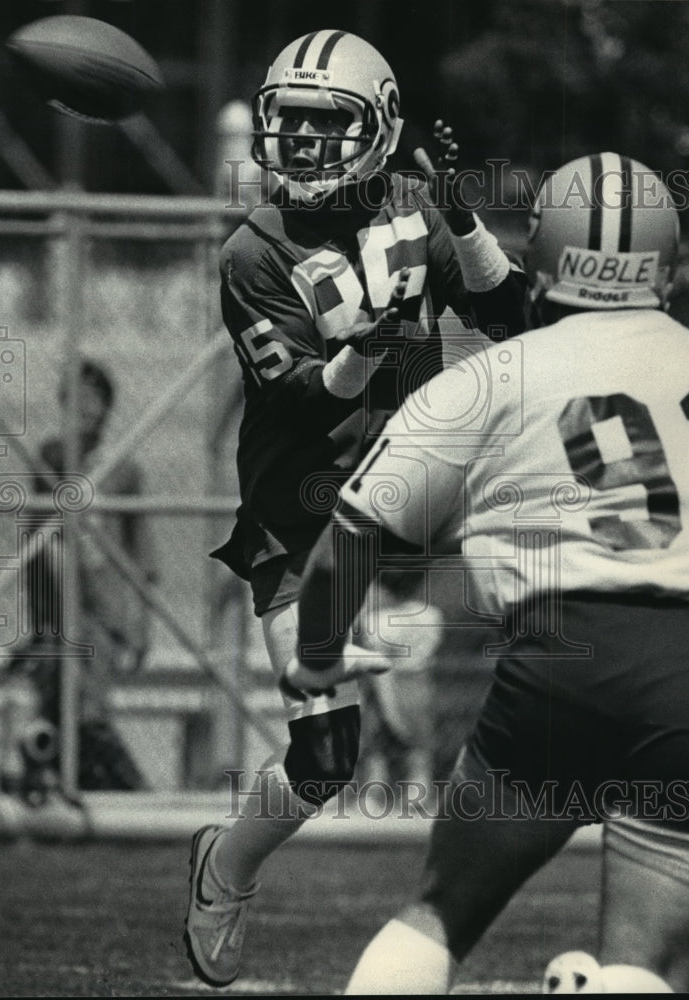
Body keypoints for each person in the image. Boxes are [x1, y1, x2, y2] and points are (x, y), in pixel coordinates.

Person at [285, 152, 689, 993]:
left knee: (439, 913)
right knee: (650, 964)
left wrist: (314, 663)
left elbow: (347, 544)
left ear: (541, 254)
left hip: (564, 661)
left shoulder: (488, 379)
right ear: (666, 270)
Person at [185, 28, 527, 987]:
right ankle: (228, 864)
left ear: (378, 130)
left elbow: (515, 318)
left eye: (320, 123)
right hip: (300, 519)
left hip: (414, 500)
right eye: (285, 121)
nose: (297, 141)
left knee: (541, 654)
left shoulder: (413, 212)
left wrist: (463, 226)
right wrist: (371, 347)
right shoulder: (253, 249)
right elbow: (298, 393)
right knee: (325, 755)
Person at [0, 357, 156, 798]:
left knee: (88, 706)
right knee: (52, 697)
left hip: (102, 611)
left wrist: (142, 625)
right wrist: (38, 616)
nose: (84, 409)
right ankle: (75, 786)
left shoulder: (122, 469)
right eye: (75, 400)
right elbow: (35, 544)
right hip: (58, 611)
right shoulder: (50, 460)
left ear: (107, 407)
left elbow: (143, 556)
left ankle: (122, 793)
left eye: (94, 400)